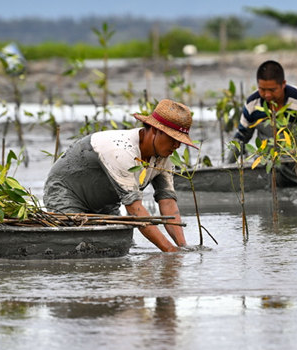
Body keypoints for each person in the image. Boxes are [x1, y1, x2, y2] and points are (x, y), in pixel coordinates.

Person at [44, 99, 196, 252]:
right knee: (80, 245)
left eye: (180, 141)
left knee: (118, 246)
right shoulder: (121, 150)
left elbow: (168, 202)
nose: (177, 145)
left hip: (106, 202)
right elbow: (135, 209)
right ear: (156, 130)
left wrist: (182, 247)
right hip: (67, 193)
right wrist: (170, 250)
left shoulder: (164, 158)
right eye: (173, 139)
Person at [227, 60, 297, 186]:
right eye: (262, 89)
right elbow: (241, 137)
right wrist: (227, 166)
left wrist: (287, 154)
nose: (267, 95)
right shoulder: (252, 104)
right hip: (266, 169)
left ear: (283, 84)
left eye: (272, 90)